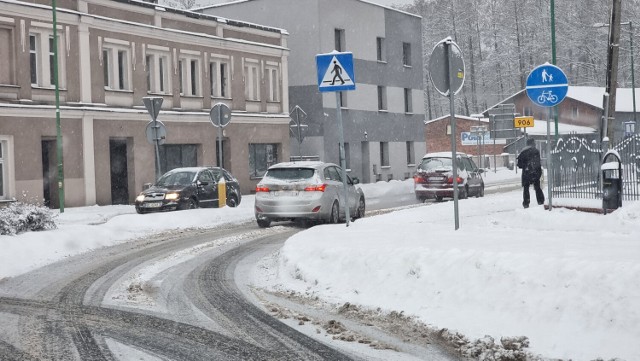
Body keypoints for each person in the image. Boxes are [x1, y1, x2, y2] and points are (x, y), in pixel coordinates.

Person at [516, 138, 545, 208]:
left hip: (526, 173)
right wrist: (538, 172)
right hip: (535, 172)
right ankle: (540, 200)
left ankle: (526, 202)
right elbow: (538, 163)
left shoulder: (523, 152)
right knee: (537, 187)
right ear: (533, 144)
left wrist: (525, 166)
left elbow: (519, 165)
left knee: (526, 188)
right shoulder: (536, 151)